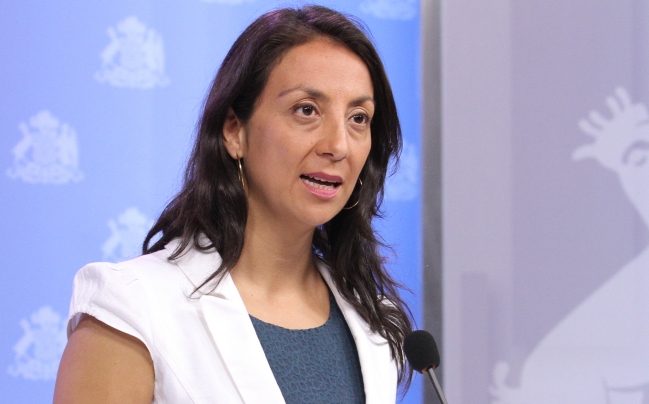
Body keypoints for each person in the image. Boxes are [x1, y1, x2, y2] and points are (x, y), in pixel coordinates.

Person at [54, 5, 413, 403]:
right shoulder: (133, 306)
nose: (338, 145)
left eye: (359, 118)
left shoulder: (374, 319)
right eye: (306, 110)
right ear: (234, 131)